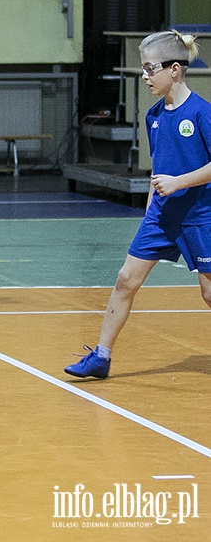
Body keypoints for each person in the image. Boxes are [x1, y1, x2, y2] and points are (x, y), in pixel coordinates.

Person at [65, 30, 209, 379]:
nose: (144, 76)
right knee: (125, 280)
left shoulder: (202, 113)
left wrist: (179, 183)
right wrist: (150, 208)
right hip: (161, 217)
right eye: (142, 69)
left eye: (149, 68)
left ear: (174, 69)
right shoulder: (154, 115)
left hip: (200, 217)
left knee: (209, 293)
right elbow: (159, 167)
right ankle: (101, 356)